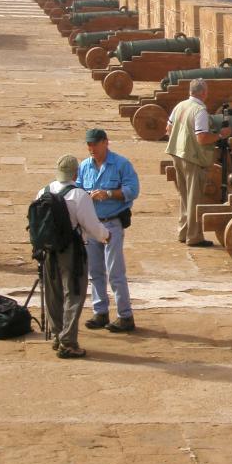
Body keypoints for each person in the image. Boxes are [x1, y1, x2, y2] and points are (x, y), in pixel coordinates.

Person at [36, 154, 111, 359]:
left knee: (54, 294)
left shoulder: (43, 191)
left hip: (49, 249)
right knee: (74, 294)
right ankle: (68, 342)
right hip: (71, 250)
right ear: (76, 173)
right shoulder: (78, 195)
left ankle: (58, 336)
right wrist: (106, 235)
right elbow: (92, 225)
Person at [77, 128, 140, 332]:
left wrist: (109, 194)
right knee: (95, 270)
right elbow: (76, 189)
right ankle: (100, 311)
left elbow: (133, 190)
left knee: (115, 271)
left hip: (112, 223)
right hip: (92, 224)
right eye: (89, 144)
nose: (91, 148)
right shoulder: (84, 166)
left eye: (95, 144)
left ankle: (125, 315)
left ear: (106, 143)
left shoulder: (121, 164)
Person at [166, 78, 232, 247]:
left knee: (184, 195)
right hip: (192, 158)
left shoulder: (180, 106)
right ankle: (194, 236)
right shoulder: (200, 110)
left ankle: (183, 231)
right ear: (203, 93)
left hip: (176, 154)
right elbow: (202, 138)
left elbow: (168, 129)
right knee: (194, 197)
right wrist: (220, 135)